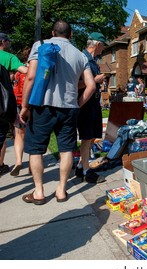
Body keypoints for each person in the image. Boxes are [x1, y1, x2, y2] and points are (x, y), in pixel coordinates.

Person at [20, 20, 96, 205]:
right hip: (69, 108)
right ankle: (61, 190)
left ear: (53, 32)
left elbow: (30, 76)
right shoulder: (80, 55)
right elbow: (91, 85)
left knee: (36, 150)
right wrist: (78, 102)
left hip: (42, 106)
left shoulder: (41, 45)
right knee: (66, 149)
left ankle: (39, 192)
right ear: (71, 35)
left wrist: (24, 106)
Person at [75, 32, 108, 184]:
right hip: (85, 103)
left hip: (94, 103)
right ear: (97, 44)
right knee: (87, 137)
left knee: (93, 136)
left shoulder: (93, 61)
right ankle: (87, 171)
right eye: (103, 45)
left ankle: (82, 165)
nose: (104, 49)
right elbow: (74, 83)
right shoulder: (82, 58)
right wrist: (94, 80)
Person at [0, 32, 28, 176]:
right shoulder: (9, 58)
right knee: (6, 135)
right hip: (4, 104)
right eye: (8, 42)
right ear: (3, 42)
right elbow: (27, 72)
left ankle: (1, 164)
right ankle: (14, 162)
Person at [10, 47, 31, 176]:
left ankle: (18, 161)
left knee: (19, 134)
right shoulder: (36, 70)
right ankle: (32, 164)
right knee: (34, 134)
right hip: (33, 105)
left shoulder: (18, 71)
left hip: (18, 103)